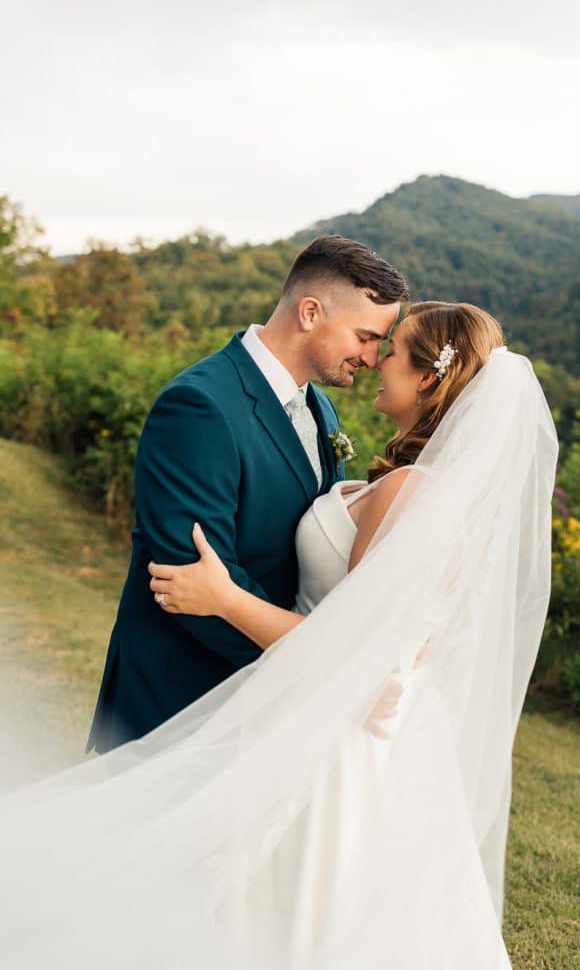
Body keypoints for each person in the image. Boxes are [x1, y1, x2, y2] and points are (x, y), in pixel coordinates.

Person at [0, 301, 558, 969]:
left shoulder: (411, 489)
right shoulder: (396, 474)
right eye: (373, 339)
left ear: (431, 379)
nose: (376, 359)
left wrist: (225, 598)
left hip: (338, 735)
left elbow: (353, 648)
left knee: (297, 914)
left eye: (393, 349)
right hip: (324, 713)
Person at [86, 235, 407, 753]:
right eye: (365, 337)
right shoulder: (199, 406)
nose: (372, 359)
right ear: (309, 313)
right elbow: (189, 579)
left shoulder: (320, 409)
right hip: (180, 706)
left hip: (260, 710)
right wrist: (305, 667)